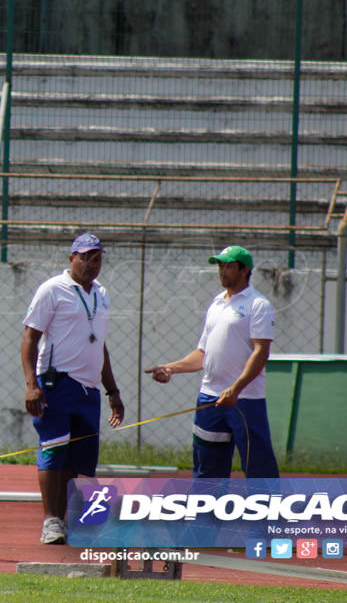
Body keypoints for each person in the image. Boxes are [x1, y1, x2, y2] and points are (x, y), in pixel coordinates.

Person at [21, 232, 125, 545]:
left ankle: (66, 521)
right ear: (72, 258)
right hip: (57, 382)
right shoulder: (52, 289)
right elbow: (29, 338)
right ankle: (50, 520)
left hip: (90, 388)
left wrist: (112, 391)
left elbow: (100, 345)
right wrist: (31, 385)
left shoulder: (102, 293)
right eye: (86, 257)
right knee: (54, 450)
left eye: (98, 258)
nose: (93, 264)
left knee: (80, 460)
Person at [145, 244, 279, 478]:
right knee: (207, 468)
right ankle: (208, 515)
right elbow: (202, 354)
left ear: (244, 270)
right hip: (209, 397)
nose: (222, 271)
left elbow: (261, 353)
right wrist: (171, 369)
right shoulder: (217, 303)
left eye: (228, 266)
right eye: (220, 266)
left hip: (244, 400)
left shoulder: (258, 305)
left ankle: (268, 514)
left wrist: (235, 389)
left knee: (258, 466)